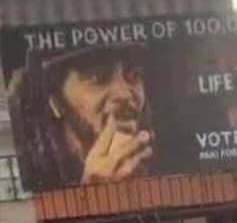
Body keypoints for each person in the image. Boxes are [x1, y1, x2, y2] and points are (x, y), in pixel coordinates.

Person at [7, 44, 154, 189]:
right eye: (97, 78)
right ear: (56, 101)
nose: (124, 94)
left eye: (134, 76)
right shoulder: (31, 176)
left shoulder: (158, 160)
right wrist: (94, 193)